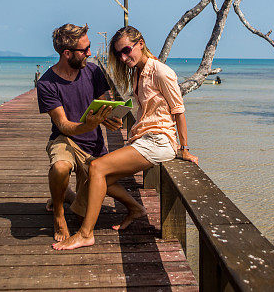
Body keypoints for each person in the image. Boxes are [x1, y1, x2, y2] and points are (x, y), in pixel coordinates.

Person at [52, 25, 198, 250]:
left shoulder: (160, 71)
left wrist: (184, 148)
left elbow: (178, 110)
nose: (123, 56)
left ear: (141, 43)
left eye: (127, 50)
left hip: (158, 140)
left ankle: (85, 233)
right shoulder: (139, 72)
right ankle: (136, 209)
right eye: (119, 53)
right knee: (99, 179)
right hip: (144, 138)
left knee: (98, 168)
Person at [36, 23, 145, 242]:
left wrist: (110, 118)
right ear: (67, 53)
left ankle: (67, 196)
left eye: (89, 47)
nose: (90, 53)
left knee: (83, 210)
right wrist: (89, 124)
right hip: (64, 139)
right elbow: (64, 125)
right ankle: (58, 215)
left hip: (93, 143)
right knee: (60, 167)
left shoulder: (93, 71)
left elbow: (104, 105)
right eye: (84, 50)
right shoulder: (46, 84)